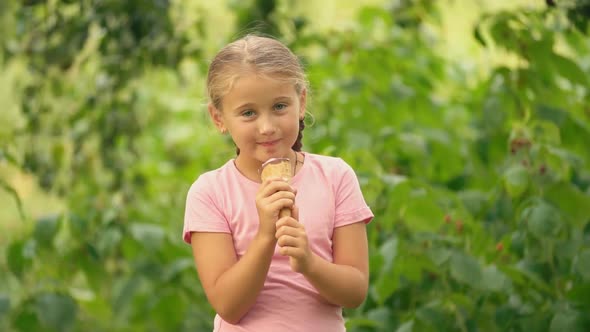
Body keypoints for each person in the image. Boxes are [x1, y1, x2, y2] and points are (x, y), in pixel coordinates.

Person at [183, 34, 374, 332]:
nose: (267, 127)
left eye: (280, 107)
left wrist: (309, 263)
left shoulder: (336, 177)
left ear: (302, 103)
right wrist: (265, 236)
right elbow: (229, 306)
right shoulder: (210, 193)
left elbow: (355, 292)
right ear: (218, 118)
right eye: (248, 113)